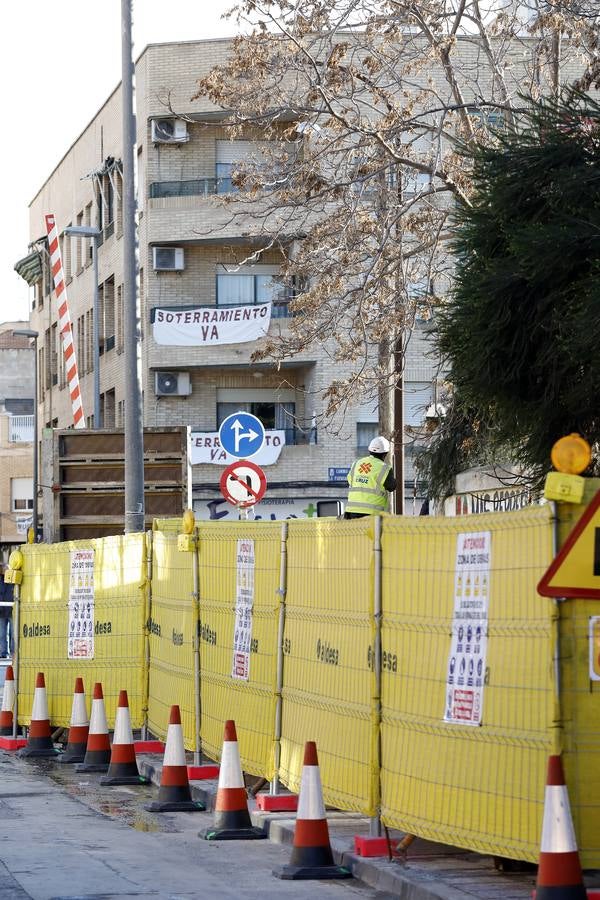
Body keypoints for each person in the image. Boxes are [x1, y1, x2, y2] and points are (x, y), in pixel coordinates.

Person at [344, 435, 396, 518]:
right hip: (372, 514)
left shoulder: (356, 463)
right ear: (385, 454)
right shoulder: (384, 468)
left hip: (352, 511)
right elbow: (391, 487)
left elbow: (350, 481)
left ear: (370, 450)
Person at [0, 566, 14, 658]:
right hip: (1, 611)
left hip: (12, 610)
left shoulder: (13, 579)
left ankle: (14, 653)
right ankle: (3, 652)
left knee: (13, 634)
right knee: (2, 634)